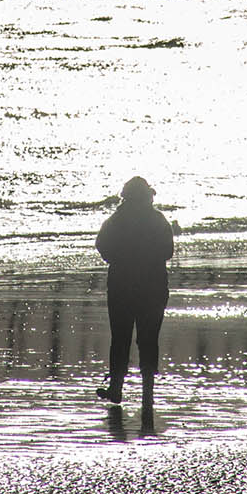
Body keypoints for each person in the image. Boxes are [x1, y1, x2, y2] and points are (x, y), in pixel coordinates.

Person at [96, 175, 175, 408]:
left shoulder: (116, 220)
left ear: (126, 198)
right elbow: (168, 252)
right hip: (154, 288)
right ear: (149, 197)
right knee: (148, 340)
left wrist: (118, 260)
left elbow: (102, 246)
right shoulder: (159, 221)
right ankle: (147, 393)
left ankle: (116, 389)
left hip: (121, 287)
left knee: (120, 339)